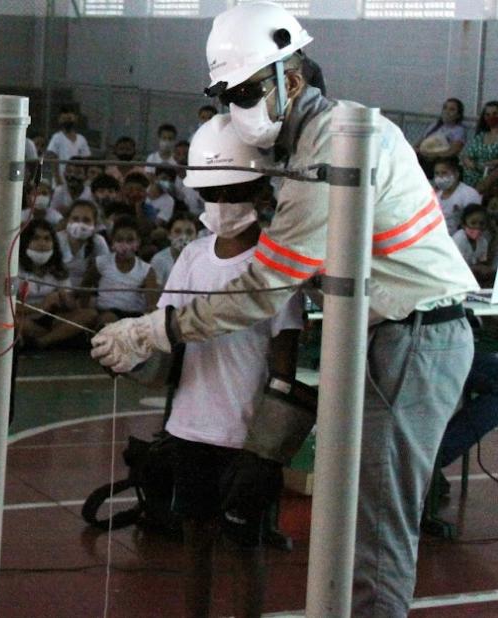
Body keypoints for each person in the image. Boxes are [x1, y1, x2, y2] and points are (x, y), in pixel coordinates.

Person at [91, 4, 477, 616]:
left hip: (414, 337)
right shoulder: (311, 149)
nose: (238, 108)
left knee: (377, 533)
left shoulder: (338, 145)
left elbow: (265, 289)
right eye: (230, 95)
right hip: (390, 338)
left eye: (247, 91)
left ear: (289, 80)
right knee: (358, 520)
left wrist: (155, 330)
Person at [159, 114, 303, 618]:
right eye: (212, 193)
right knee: (196, 539)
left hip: (244, 437)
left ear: (259, 190)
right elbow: (165, 332)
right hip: (189, 428)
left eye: (231, 191)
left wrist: (266, 453)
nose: (220, 205)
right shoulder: (194, 257)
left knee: (245, 546)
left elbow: (285, 368)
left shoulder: (273, 264)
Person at [16, 220, 97, 349]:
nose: (42, 243)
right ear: (25, 242)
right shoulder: (15, 268)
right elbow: (7, 305)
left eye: (47, 239)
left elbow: (72, 307)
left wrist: (64, 298)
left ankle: (41, 342)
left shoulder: (59, 269)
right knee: (13, 321)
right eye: (36, 238)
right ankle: (58, 337)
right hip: (26, 317)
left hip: (53, 318)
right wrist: (41, 306)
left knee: (89, 314)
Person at [81, 216, 158, 327]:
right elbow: (85, 287)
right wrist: (85, 310)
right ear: (112, 243)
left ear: (138, 243)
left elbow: (152, 303)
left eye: (130, 240)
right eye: (119, 240)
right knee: (109, 319)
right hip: (105, 313)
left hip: (133, 317)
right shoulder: (101, 262)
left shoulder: (146, 270)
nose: (125, 245)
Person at [57, 199, 110, 286]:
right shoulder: (56, 239)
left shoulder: (98, 242)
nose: (80, 224)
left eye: (86, 220)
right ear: (67, 221)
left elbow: (105, 271)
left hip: (85, 291)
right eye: (75, 219)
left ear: (95, 224)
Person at [415, 98, 466, 176]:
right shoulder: (434, 126)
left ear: (458, 115)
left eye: (452, 109)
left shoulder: (458, 130)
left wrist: (432, 154)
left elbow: (453, 151)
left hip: (440, 162)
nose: (447, 111)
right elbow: (418, 144)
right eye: (445, 108)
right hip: (423, 158)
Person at [434, 156, 481, 234]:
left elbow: (473, 224)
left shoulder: (469, 194)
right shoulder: (436, 196)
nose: (440, 176)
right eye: (437, 173)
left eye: (444, 173)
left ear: (456, 174)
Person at [150, 213, 197, 286]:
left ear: (196, 236)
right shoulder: (159, 260)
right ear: (169, 235)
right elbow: (156, 294)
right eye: (177, 231)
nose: (183, 236)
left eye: (189, 232)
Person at [461, 101, 498, 190]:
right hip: (473, 172)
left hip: (492, 174)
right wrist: (468, 162)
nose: (491, 117)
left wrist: (488, 164)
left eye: (495, 114)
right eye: (487, 114)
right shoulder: (481, 136)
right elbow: (467, 155)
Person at [46, 105, 91, 176]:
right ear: (59, 120)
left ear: (76, 119)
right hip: (61, 178)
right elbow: (52, 158)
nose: (67, 121)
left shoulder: (82, 139)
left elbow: (86, 159)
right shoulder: (56, 137)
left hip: (77, 178)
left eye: (69, 118)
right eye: (64, 119)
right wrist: (57, 177)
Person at [451, 203, 489, 269]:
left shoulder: (483, 242)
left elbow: (482, 262)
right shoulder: (459, 239)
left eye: (482, 224)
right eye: (473, 223)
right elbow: (455, 264)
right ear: (464, 224)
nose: (478, 226)